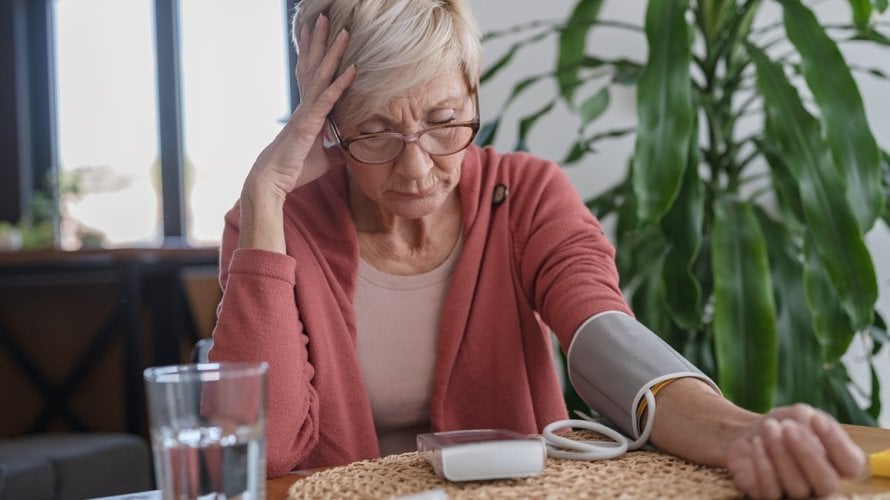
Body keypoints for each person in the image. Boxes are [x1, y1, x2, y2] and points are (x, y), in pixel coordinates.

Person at [208, 0, 866, 497]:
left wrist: (735, 430)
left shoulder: (523, 193)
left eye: (443, 124)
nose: (416, 171)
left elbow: (601, 330)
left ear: (472, 92)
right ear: (327, 129)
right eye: (373, 132)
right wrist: (267, 193)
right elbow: (261, 453)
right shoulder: (269, 222)